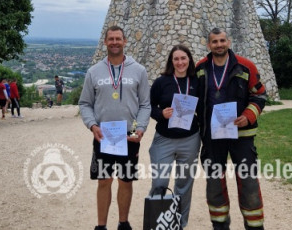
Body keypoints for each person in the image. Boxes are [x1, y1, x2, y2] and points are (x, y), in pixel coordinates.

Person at [79, 25, 151, 230]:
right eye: (111, 39)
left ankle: (123, 223)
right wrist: (92, 125)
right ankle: (101, 226)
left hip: (129, 135)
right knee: (104, 180)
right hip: (103, 134)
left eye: (118, 39)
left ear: (125, 41)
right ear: (105, 42)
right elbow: (85, 103)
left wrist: (141, 128)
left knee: (126, 181)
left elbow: (145, 104)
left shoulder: (139, 70)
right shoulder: (94, 71)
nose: (114, 42)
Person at [196, 28, 267, 230]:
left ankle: (254, 226)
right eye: (214, 41)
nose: (219, 44)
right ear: (208, 45)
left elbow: (260, 95)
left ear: (229, 41)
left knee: (248, 182)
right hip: (213, 136)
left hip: (242, 135)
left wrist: (248, 116)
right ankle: (219, 226)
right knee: (214, 183)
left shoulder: (246, 66)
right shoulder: (201, 68)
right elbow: (193, 98)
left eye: (222, 40)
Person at [149, 45, 201, 229]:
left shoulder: (197, 81)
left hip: (190, 139)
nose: (180, 62)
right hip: (164, 139)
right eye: (176, 59)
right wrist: (161, 114)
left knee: (184, 185)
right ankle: (157, 223)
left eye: (183, 58)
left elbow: (204, 108)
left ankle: (180, 224)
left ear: (189, 60)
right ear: (171, 61)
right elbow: (149, 106)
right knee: (160, 183)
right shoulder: (162, 82)